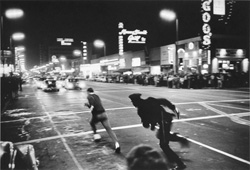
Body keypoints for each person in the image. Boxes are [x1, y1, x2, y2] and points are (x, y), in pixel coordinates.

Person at [128, 93, 189, 170]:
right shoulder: (150, 100)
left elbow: (146, 124)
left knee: (164, 145)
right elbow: (164, 101)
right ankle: (181, 139)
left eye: (133, 102)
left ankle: (180, 164)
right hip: (166, 120)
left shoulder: (141, 110)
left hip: (164, 121)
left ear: (137, 101)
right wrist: (173, 108)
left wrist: (149, 124)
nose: (133, 104)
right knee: (160, 136)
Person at [85, 87, 121, 153]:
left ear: (88, 92)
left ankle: (96, 135)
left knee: (91, 123)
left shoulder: (89, 97)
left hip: (97, 115)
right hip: (104, 114)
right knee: (109, 129)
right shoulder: (97, 96)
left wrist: (88, 106)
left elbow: (92, 106)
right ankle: (117, 144)